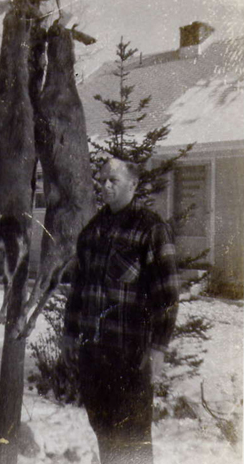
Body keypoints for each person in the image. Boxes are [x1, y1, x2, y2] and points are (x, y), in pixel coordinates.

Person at [62, 156, 180, 464]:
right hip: (94, 354)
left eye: (113, 180)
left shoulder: (151, 229)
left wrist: (158, 349)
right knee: (104, 432)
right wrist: (69, 334)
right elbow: (78, 291)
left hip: (130, 356)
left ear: (133, 184)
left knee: (132, 442)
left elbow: (167, 294)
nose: (105, 186)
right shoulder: (92, 231)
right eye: (101, 180)